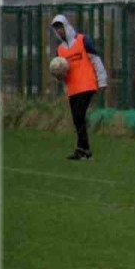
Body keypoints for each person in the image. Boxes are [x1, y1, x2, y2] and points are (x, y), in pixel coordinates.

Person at [51, 15, 108, 161]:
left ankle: (82, 149)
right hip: (73, 88)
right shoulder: (60, 50)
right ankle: (84, 150)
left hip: (87, 85)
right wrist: (59, 77)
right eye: (56, 28)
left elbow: (96, 60)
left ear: (66, 26)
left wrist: (102, 81)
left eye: (61, 27)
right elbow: (62, 73)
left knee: (79, 116)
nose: (59, 30)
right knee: (77, 119)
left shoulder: (83, 40)